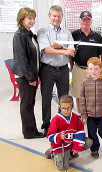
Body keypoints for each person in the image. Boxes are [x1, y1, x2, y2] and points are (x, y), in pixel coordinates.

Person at [37, 5, 75, 136]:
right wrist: (64, 50)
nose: (56, 18)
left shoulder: (67, 33)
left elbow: (72, 50)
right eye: (54, 16)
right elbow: (47, 49)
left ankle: (63, 124)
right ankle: (47, 126)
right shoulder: (42, 31)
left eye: (59, 16)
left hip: (63, 70)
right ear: (49, 16)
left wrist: (59, 46)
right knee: (46, 98)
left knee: (64, 98)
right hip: (47, 69)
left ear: (62, 17)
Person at [12, 7, 43, 139]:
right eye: (29, 18)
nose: (32, 21)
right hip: (25, 77)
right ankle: (29, 132)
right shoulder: (19, 35)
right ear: (22, 19)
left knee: (30, 103)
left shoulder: (29, 34)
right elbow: (21, 59)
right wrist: (30, 78)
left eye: (33, 18)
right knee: (26, 104)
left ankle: (31, 130)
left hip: (32, 75)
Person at [71, 11, 102, 113]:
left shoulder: (97, 36)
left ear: (91, 21)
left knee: (93, 94)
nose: (85, 22)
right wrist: (71, 66)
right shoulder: (74, 35)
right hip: (78, 68)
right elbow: (70, 53)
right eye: (83, 19)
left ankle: (91, 115)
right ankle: (82, 115)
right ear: (80, 21)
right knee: (79, 94)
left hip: (93, 71)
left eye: (88, 20)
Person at [46, 95, 92, 171]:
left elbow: (80, 131)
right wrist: (59, 136)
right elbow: (50, 136)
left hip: (71, 143)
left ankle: (70, 153)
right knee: (62, 167)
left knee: (89, 142)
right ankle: (52, 152)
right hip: (61, 146)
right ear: (60, 107)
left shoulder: (75, 117)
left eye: (68, 108)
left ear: (72, 107)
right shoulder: (56, 119)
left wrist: (77, 147)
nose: (66, 111)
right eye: (63, 108)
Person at [79, 57, 102, 159]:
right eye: (91, 69)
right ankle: (94, 149)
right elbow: (82, 99)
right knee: (92, 133)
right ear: (88, 69)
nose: (93, 71)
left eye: (96, 69)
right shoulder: (85, 82)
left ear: (100, 69)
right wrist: (84, 114)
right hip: (90, 115)